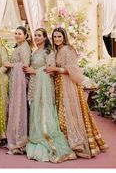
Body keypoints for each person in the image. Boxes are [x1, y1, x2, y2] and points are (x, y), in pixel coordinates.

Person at [46, 27, 109, 158]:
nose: (57, 39)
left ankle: (77, 143)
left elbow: (73, 69)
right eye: (55, 37)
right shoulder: (57, 50)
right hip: (60, 85)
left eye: (59, 36)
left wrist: (56, 69)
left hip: (68, 85)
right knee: (63, 113)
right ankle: (67, 142)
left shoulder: (68, 50)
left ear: (64, 37)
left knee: (71, 113)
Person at [23, 28, 76, 163]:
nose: (36, 37)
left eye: (39, 35)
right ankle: (36, 136)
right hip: (35, 86)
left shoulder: (49, 52)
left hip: (45, 89)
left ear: (45, 37)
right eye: (35, 35)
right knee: (35, 110)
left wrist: (34, 71)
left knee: (44, 113)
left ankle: (49, 143)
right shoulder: (35, 52)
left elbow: (50, 72)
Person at [4, 26, 31, 155]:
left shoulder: (25, 47)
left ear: (25, 35)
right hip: (14, 80)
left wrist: (11, 65)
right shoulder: (19, 47)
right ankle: (15, 137)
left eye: (19, 33)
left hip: (20, 82)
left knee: (19, 108)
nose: (17, 35)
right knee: (15, 107)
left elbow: (25, 64)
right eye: (15, 33)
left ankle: (19, 141)